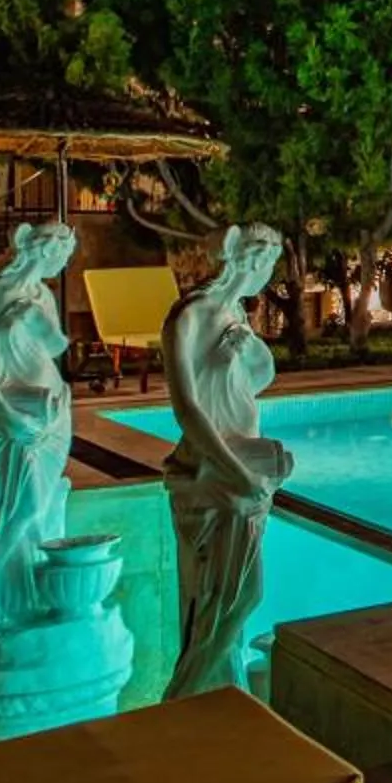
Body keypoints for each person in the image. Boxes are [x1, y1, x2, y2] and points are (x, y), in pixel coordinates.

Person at [163, 223, 291, 696]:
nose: (270, 274)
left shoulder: (234, 312)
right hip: (212, 470)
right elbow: (188, 410)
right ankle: (183, 696)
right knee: (230, 597)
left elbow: (261, 378)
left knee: (227, 601)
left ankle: (218, 691)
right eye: (269, 264)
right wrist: (237, 474)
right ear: (247, 261)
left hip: (242, 461)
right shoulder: (189, 317)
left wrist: (242, 347)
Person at [0, 221, 78, 630]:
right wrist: (7, 414)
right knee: (21, 506)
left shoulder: (43, 295)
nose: (62, 264)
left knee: (43, 505)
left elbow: (58, 347)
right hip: (8, 410)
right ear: (40, 251)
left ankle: (32, 588)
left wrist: (38, 321)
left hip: (51, 407)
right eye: (60, 256)